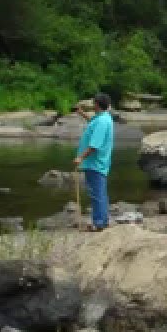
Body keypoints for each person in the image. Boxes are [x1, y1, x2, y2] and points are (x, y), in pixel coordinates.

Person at [73, 93, 115, 232]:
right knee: (99, 192)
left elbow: (94, 145)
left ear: (97, 104)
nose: (93, 105)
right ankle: (103, 220)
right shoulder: (102, 117)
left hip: (95, 163)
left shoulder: (102, 121)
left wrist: (80, 158)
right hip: (97, 163)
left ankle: (99, 223)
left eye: (94, 103)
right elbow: (93, 121)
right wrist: (82, 113)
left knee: (97, 193)